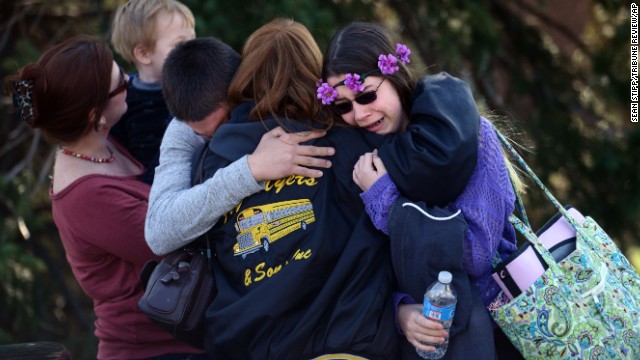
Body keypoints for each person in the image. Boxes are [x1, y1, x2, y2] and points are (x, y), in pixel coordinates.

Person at [196, 18, 481, 359]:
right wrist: (444, 89)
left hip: (241, 344)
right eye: (345, 103)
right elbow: (433, 165)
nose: (358, 113)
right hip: (345, 343)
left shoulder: (213, 159)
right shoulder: (350, 147)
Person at [320, 22, 524, 359]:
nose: (358, 114)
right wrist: (400, 311)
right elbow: (372, 266)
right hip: (417, 343)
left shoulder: (467, 136)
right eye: (342, 106)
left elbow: (474, 254)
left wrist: (383, 198)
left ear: (395, 75)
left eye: (367, 95)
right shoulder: (364, 158)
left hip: (491, 331)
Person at [5, 35, 205, 359]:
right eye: (120, 84)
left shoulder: (101, 143)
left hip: (185, 335)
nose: (131, 80)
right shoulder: (87, 198)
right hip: (155, 350)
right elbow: (177, 232)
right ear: (93, 115)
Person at [145, 36, 335, 255]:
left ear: (240, 89)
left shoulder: (268, 92)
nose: (218, 140)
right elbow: (158, 233)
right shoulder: (182, 128)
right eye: (203, 135)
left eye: (223, 124)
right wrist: (251, 169)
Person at [110, 0, 196, 184]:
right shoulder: (123, 101)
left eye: (193, 40)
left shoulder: (201, 84)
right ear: (144, 54)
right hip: (152, 192)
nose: (194, 50)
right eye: (181, 44)